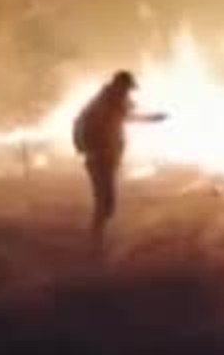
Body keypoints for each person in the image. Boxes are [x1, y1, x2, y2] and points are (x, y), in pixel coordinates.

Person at [72, 70, 167, 248]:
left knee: (106, 203)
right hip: (100, 157)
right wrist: (152, 118)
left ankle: (97, 240)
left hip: (103, 156)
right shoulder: (107, 102)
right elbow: (125, 117)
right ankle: (95, 242)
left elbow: (126, 111)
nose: (128, 92)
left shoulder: (107, 98)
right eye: (127, 89)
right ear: (120, 86)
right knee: (105, 203)